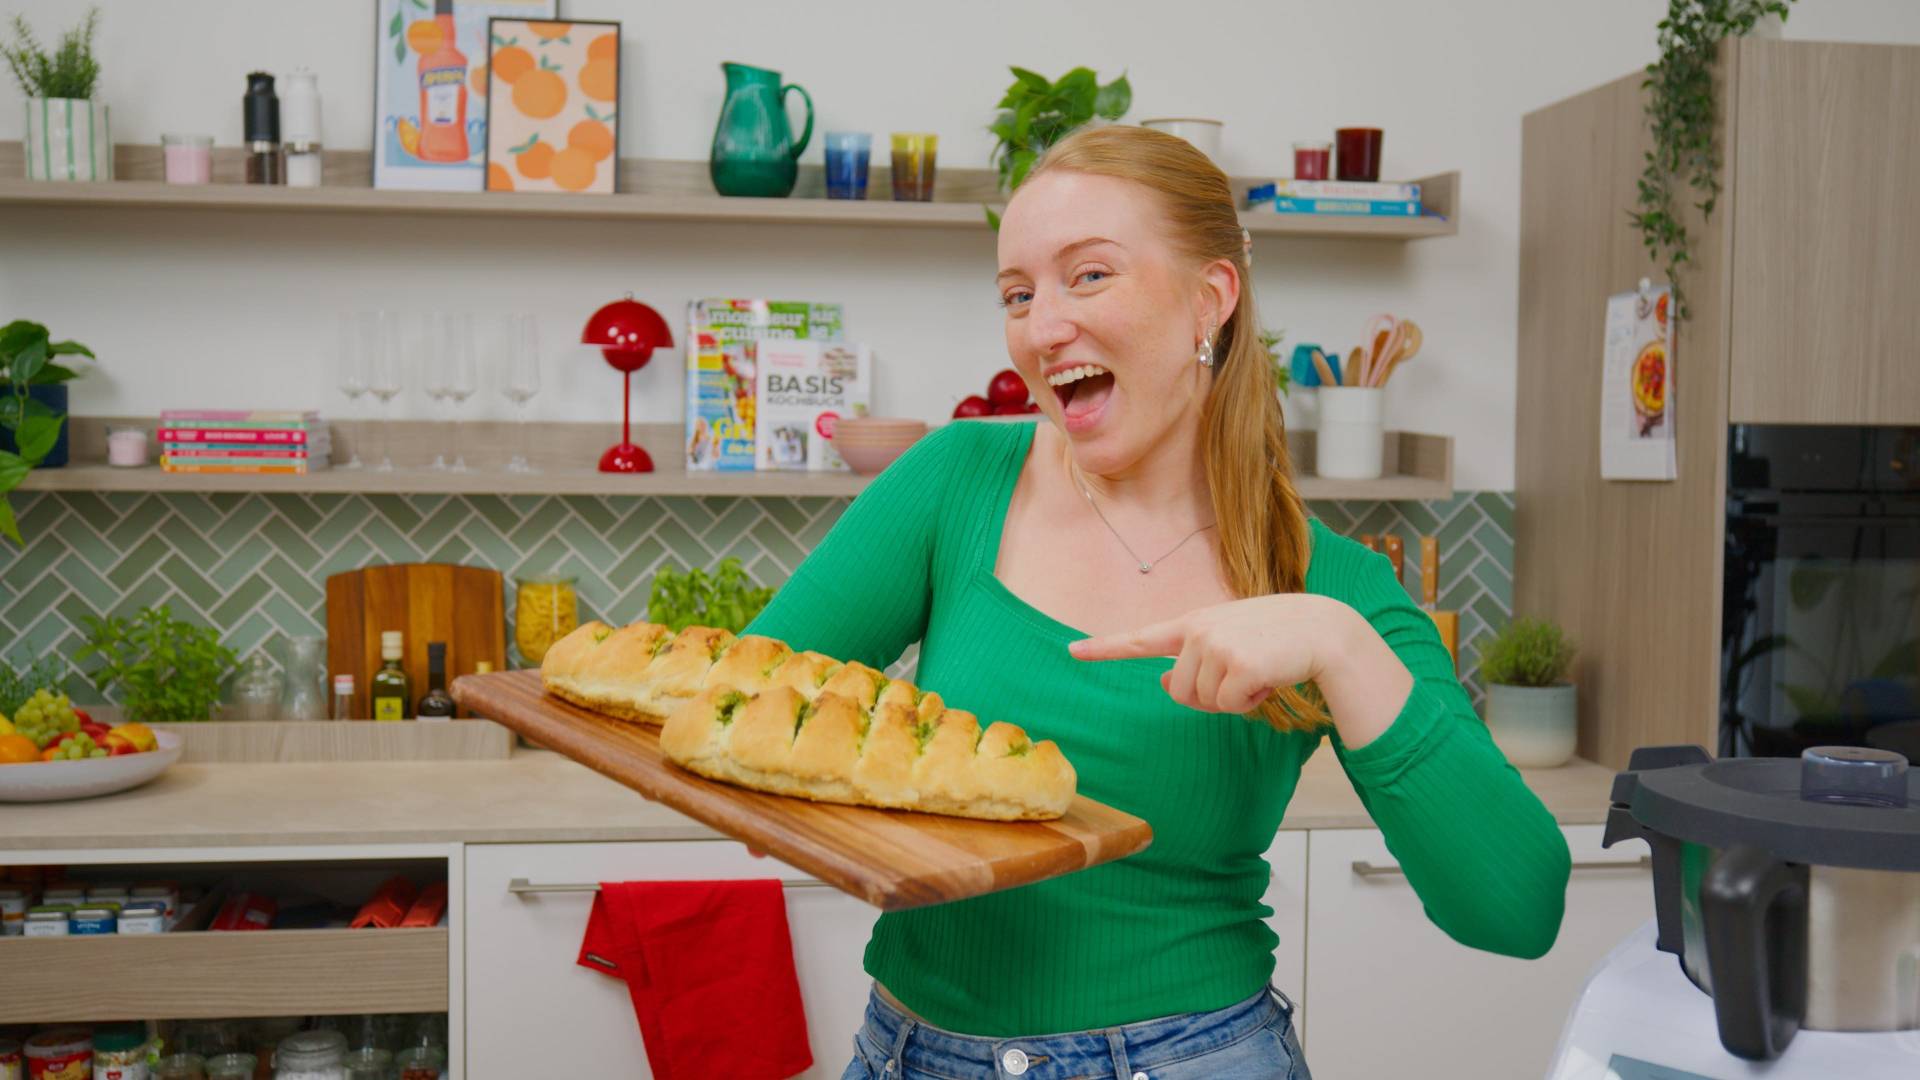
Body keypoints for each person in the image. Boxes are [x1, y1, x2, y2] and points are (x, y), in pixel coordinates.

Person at [744, 124, 1571, 1080]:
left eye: (1088, 276)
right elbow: (743, 711)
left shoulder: (1332, 587)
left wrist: (1342, 650)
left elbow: (1517, 910)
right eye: (1018, 293)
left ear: (1209, 301)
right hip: (910, 1054)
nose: (1041, 327)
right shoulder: (954, 483)